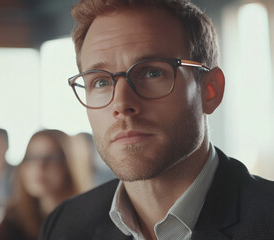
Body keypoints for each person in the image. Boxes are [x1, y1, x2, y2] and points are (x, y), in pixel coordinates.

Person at [40, 0, 274, 240]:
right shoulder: (66, 225)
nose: (121, 104)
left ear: (210, 90)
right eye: (101, 81)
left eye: (152, 72)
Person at [0, 129, 78, 240]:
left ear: (69, 165)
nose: (39, 166)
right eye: (32, 158)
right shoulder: (15, 216)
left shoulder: (87, 217)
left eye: (51, 158)